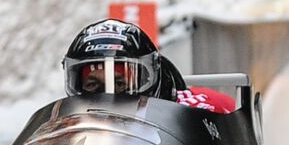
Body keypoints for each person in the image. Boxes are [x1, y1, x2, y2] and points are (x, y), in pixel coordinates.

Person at [63, 19, 235, 115]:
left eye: (121, 84)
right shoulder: (66, 127)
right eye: (93, 85)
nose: (108, 95)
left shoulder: (193, 112)